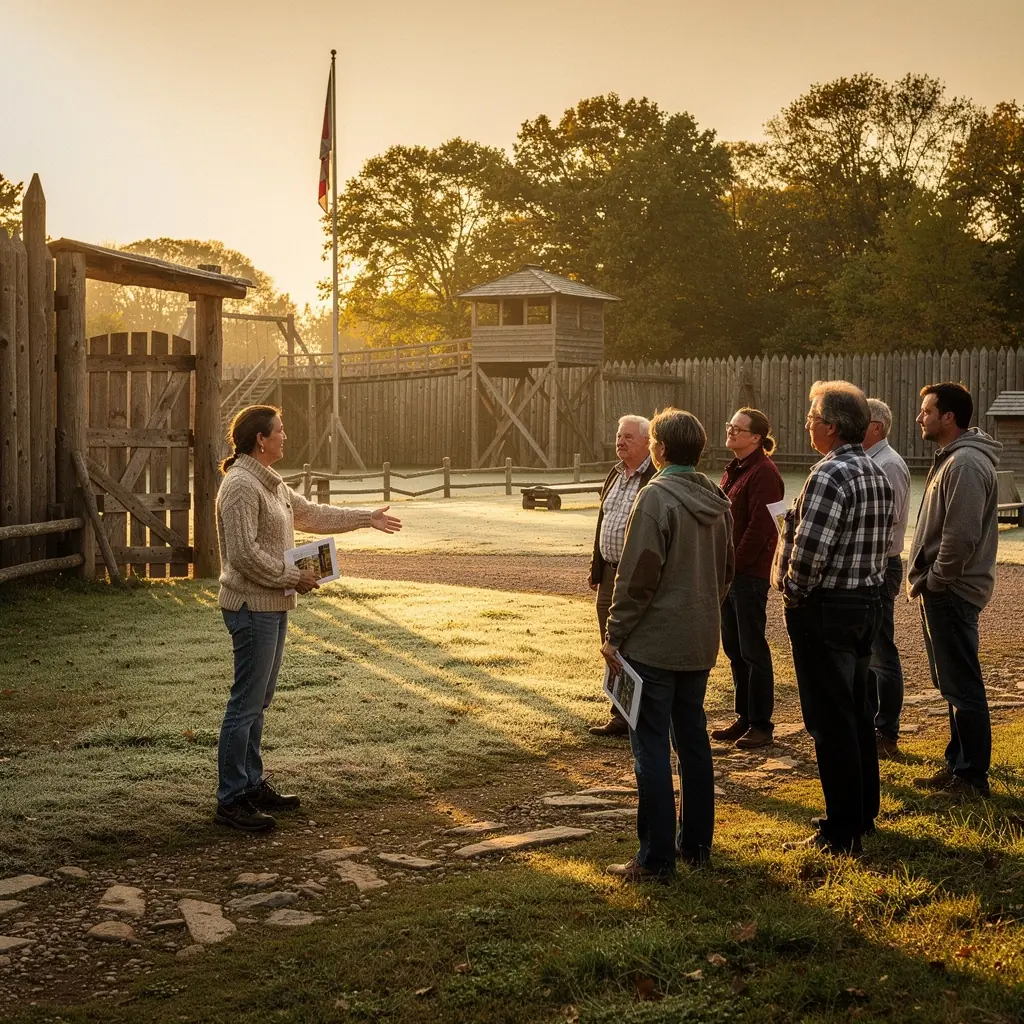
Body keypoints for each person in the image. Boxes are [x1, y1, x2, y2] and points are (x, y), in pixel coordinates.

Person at [214, 405, 402, 832]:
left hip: (274, 604)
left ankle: (251, 784)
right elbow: (243, 554)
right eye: (280, 430)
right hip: (250, 607)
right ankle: (230, 801)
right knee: (245, 704)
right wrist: (291, 575)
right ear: (261, 439)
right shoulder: (242, 485)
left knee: (258, 702)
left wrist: (365, 518)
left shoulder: (270, 482)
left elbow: (312, 513)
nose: (285, 435)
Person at [601, 408, 734, 881]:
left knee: (651, 746)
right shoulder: (715, 496)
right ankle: (696, 843)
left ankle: (656, 857)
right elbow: (725, 574)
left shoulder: (655, 497)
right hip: (699, 639)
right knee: (693, 740)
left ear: (658, 449)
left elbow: (637, 578)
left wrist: (614, 635)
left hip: (655, 643)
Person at [773, 381, 892, 855]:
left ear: (833, 426)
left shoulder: (830, 475)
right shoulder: (875, 472)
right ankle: (863, 812)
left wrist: (792, 592)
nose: (807, 425)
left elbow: (809, 555)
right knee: (858, 713)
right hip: (865, 603)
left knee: (830, 720)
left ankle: (841, 829)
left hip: (825, 609)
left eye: (812, 418)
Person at [908, 382, 1001, 798]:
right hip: (944, 590)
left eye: (926, 411)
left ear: (948, 417)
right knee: (952, 682)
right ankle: (957, 765)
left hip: (953, 591)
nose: (920, 418)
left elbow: (960, 537)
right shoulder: (952, 459)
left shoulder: (964, 464)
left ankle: (971, 777)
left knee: (963, 684)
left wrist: (937, 580)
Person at [712, 408, 785, 749]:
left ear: (756, 437)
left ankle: (761, 724)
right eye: (730, 426)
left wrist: (735, 564)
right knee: (735, 648)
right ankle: (743, 716)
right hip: (729, 574)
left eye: (738, 429)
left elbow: (761, 527)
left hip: (748, 575)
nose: (731, 432)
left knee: (753, 649)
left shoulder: (764, 473)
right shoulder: (734, 470)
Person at [588, 415, 657, 737]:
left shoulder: (653, 478)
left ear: (647, 442)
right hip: (610, 574)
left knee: (637, 644)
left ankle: (642, 714)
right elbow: (604, 523)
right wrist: (596, 567)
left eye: (629, 437)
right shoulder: (614, 474)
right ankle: (619, 713)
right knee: (610, 645)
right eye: (619, 436)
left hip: (634, 578)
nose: (621, 441)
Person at [863, 399, 911, 759]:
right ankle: (869, 723)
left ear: (876, 427)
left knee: (881, 651)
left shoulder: (889, 464)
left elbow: (886, 518)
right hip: (870, 563)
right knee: (865, 650)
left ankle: (887, 730)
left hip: (883, 563)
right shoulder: (869, 460)